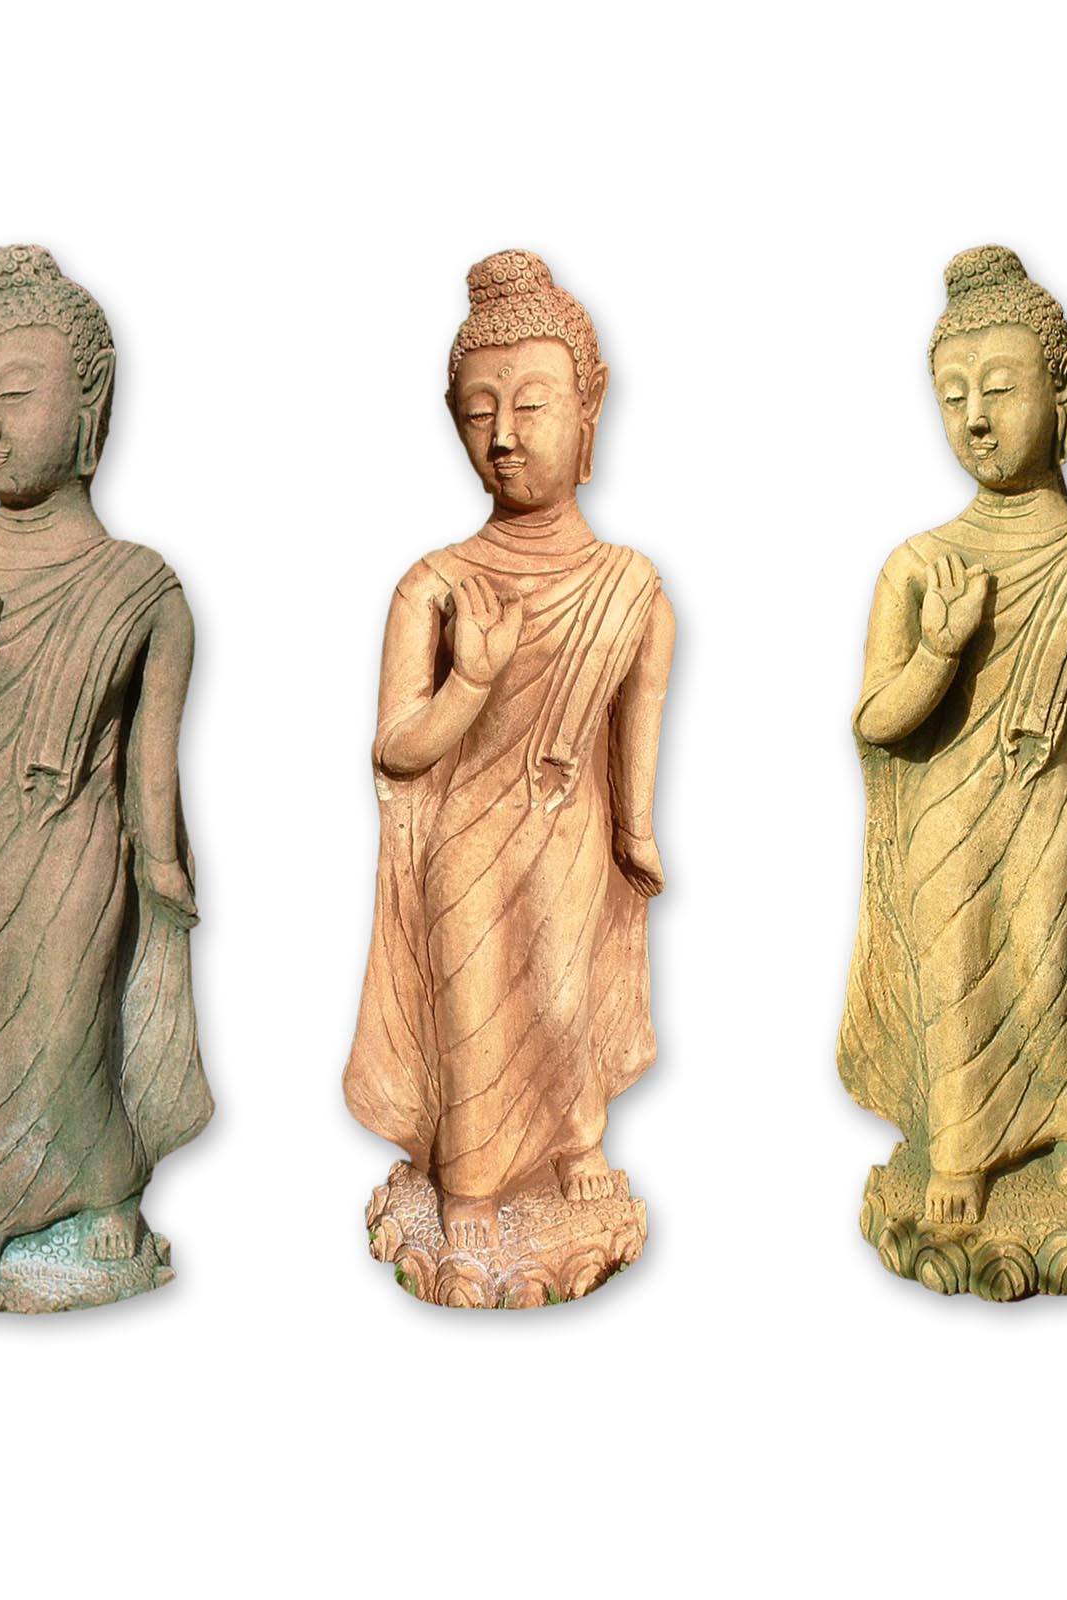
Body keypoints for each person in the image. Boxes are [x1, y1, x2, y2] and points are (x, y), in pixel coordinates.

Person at [0, 245, 211, 1295]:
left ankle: (105, 1187)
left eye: (16, 395)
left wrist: (165, 869)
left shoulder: (143, 589)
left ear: (91, 404)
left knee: (71, 1024)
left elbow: (154, 764)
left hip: (76, 852)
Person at [345, 251, 675, 1249]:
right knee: (474, 1005)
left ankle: (575, 1142)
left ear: (589, 408)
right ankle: (472, 1189)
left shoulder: (631, 586)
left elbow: (637, 723)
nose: (502, 435)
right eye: (477, 410)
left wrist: (636, 832)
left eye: (531, 405)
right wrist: (470, 683)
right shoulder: (435, 584)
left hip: (572, 837)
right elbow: (398, 749)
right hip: (466, 841)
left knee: (567, 993)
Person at [839, 245, 1067, 1226]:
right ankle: (959, 1148)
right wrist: (939, 654)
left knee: (1045, 959)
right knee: (955, 971)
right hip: (945, 818)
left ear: (1063, 389)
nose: (974, 418)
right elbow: (874, 720)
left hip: (1051, 808)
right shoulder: (919, 565)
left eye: (999, 389)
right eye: (952, 397)